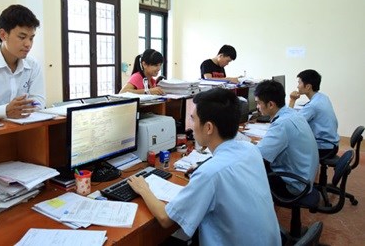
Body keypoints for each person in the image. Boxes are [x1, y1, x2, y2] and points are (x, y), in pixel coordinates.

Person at [127, 88, 280, 245]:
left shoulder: (210, 174)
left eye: (193, 119)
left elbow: (165, 219)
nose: (191, 126)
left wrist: (143, 188)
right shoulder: (250, 149)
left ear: (208, 128)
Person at [255, 80, 318, 198]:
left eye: (258, 103)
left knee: (250, 170)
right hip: (306, 176)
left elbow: (259, 156)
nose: (257, 107)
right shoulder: (292, 113)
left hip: (294, 186)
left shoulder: (281, 124)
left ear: (271, 105)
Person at [289, 69, 340, 158]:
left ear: (308, 86)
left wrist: (292, 100)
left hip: (323, 148)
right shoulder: (323, 97)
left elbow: (290, 123)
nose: (297, 86)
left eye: (299, 83)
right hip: (332, 144)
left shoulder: (313, 106)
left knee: (288, 147)